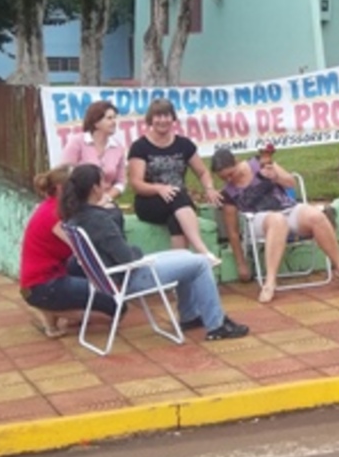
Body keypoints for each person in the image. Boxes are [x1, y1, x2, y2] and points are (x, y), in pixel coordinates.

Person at [60, 163, 249, 341]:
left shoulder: (77, 216)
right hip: (129, 277)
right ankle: (216, 325)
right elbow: (126, 256)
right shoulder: (98, 220)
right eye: (102, 181)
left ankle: (190, 316)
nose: (106, 184)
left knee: (187, 257)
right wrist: (137, 251)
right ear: (95, 188)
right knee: (200, 263)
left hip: (111, 278)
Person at [212, 146, 339, 303]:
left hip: (287, 208)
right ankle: (270, 281)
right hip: (258, 219)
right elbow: (232, 231)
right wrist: (241, 263)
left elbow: (290, 182)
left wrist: (275, 176)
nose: (228, 180)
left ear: (237, 162)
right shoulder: (228, 194)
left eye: (230, 174)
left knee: (317, 217)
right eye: (223, 178)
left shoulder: (259, 163)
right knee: (277, 221)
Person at [19, 165, 121, 338]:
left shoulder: (55, 208)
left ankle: (53, 318)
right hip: (42, 284)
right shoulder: (55, 214)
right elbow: (82, 248)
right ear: (61, 189)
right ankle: (51, 310)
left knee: (100, 292)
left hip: (44, 278)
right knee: (115, 307)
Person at [128, 98, 222, 266]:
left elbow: (202, 171)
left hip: (178, 204)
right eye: (158, 116)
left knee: (176, 219)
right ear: (151, 119)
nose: (163, 120)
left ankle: (179, 276)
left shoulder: (184, 145)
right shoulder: (140, 147)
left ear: (173, 118)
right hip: (149, 201)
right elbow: (136, 183)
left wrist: (209, 188)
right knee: (178, 195)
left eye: (167, 115)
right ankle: (202, 250)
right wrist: (158, 188)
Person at [60, 100, 126, 231]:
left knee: (115, 217)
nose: (114, 122)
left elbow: (121, 182)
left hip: (104, 201)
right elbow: (64, 174)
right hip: (79, 202)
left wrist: (107, 198)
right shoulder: (77, 142)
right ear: (96, 122)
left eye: (115, 118)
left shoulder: (118, 147)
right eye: (109, 118)